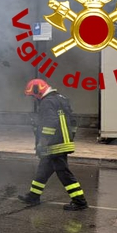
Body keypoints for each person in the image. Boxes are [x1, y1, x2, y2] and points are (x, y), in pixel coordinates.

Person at [18, 78, 88, 211]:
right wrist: (70, 137)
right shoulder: (61, 98)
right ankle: (33, 196)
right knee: (43, 169)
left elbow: (50, 123)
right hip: (63, 141)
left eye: (34, 96)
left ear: (38, 91)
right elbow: (73, 120)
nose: (34, 99)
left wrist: (43, 141)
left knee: (63, 172)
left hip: (55, 144)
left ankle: (80, 201)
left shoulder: (47, 102)